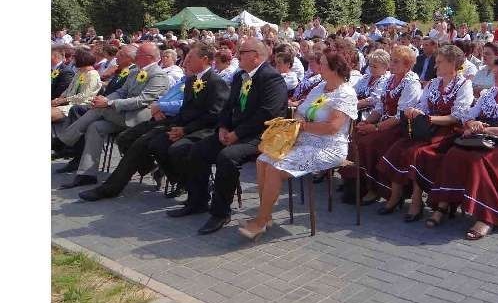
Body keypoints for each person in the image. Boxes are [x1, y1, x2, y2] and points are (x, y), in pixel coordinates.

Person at [77, 44, 230, 201]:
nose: (185, 62)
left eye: (190, 58)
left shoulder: (216, 82)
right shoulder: (192, 81)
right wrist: (173, 124)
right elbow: (185, 110)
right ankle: (110, 188)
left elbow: (214, 116)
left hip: (201, 130)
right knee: (141, 142)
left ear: (204, 60)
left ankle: (187, 182)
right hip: (180, 125)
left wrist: (183, 130)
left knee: (157, 144)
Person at [238, 49, 358, 240]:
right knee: (263, 159)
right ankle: (266, 215)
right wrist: (300, 123)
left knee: (275, 168)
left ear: (334, 69)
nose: (319, 67)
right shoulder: (321, 87)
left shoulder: (345, 94)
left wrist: (303, 126)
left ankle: (261, 221)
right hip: (304, 140)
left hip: (328, 146)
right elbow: (300, 111)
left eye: (323, 64)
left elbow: (332, 128)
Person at [172, 38, 288, 235]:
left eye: (242, 52)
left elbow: (268, 113)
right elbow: (227, 106)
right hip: (235, 132)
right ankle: (198, 201)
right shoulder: (240, 75)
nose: (237, 55)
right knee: (198, 150)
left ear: (256, 56)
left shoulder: (272, 78)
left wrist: (237, 133)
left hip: (260, 135)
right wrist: (223, 127)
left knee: (227, 157)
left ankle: (220, 213)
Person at [426, 56, 498, 240]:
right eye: (494, 72)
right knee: (453, 154)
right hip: (484, 140)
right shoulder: (488, 94)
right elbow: (468, 116)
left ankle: (487, 217)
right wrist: (473, 122)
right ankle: (443, 205)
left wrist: (486, 128)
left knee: (481, 161)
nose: (495, 77)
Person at [372, 44, 473, 221]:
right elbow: (422, 106)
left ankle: (416, 201)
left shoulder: (464, 84)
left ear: (452, 63)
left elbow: (457, 116)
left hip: (447, 131)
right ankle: (395, 196)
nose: (436, 66)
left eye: (440, 62)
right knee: (398, 148)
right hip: (426, 128)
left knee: (418, 153)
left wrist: (429, 119)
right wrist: (415, 111)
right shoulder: (434, 83)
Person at [55, 42, 171, 189]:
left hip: (140, 118)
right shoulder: (135, 71)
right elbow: (122, 91)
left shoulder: (159, 75)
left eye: (138, 54)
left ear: (148, 57)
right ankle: (86, 174)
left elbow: (142, 100)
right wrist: (106, 100)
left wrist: (109, 104)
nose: (135, 56)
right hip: (121, 115)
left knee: (99, 109)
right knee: (95, 126)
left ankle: (63, 140)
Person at [351, 46, 422, 205]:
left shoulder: (411, 83)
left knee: (372, 141)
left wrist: (376, 128)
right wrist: (368, 122)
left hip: (400, 127)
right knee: (358, 134)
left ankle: (380, 189)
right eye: (392, 60)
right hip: (385, 122)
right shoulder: (390, 79)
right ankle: (361, 183)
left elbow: (400, 117)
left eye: (396, 61)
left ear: (407, 64)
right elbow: (379, 107)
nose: (392, 64)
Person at [51, 48, 102, 123]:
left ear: (81, 59)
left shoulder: (92, 75)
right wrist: (58, 99)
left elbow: (84, 96)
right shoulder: (80, 72)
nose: (72, 60)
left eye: (74, 58)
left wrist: (63, 100)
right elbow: (69, 89)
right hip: (70, 102)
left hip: (80, 106)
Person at [353, 49, 390, 114]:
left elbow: (373, 100)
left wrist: (349, 105)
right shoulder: (365, 77)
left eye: (375, 67)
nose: (371, 68)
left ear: (385, 67)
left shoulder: (387, 80)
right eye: (370, 65)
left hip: (372, 116)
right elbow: (353, 91)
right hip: (356, 111)